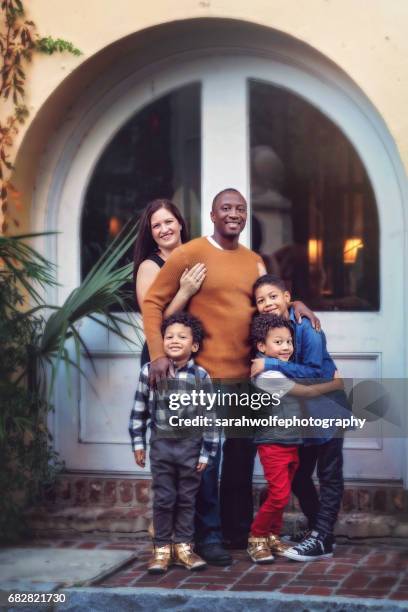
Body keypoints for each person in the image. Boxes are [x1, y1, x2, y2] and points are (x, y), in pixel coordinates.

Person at [141, 188, 320, 566]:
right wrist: (158, 353)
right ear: (213, 214)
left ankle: (237, 531)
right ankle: (208, 537)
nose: (233, 214)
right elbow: (154, 303)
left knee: (240, 463)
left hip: (246, 380)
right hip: (205, 381)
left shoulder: (254, 260)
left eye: (240, 208)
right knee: (206, 465)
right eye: (226, 208)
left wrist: (297, 302)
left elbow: (270, 303)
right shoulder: (191, 253)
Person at [251, 274, 350, 561]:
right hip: (302, 414)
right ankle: (322, 532)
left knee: (329, 475)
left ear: (286, 296)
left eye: (273, 296)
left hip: (327, 408)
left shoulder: (308, 328)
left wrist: (267, 363)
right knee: (299, 476)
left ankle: (321, 538)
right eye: (261, 300)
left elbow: (318, 373)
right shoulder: (272, 330)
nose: (268, 303)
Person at [129, 312, 218, 574]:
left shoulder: (202, 376)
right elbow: (139, 411)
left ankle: (184, 548)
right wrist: (138, 443)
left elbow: (210, 418)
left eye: (182, 336)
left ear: (194, 346)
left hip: (191, 447)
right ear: (161, 342)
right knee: (165, 498)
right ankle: (161, 550)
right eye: (169, 336)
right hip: (162, 447)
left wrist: (206, 453)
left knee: (187, 498)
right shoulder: (150, 372)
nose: (175, 340)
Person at [133, 198, 206, 366]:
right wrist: (184, 292)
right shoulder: (149, 267)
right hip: (165, 354)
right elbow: (154, 323)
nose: (164, 229)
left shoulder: (197, 257)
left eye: (168, 222)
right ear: (150, 232)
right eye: (156, 226)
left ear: (180, 224)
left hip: (197, 352)